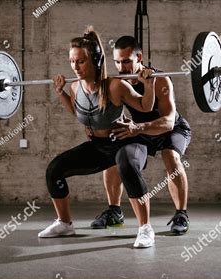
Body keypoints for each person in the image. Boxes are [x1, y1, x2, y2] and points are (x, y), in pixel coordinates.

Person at [38, 26, 158, 248]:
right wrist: (60, 92)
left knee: (126, 165)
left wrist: (149, 85)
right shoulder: (74, 87)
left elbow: (145, 105)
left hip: (127, 142)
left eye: (81, 61)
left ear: (95, 60)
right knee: (54, 170)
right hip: (100, 147)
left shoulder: (115, 86)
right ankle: (64, 223)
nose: (75, 67)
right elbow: (79, 113)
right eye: (72, 61)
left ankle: (145, 229)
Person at [89, 36, 192, 235]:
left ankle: (181, 214)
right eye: (118, 62)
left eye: (126, 61)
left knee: (171, 156)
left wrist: (139, 127)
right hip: (141, 130)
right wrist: (92, 125)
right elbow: (109, 113)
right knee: (114, 155)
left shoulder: (161, 80)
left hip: (171, 128)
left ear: (139, 57)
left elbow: (168, 122)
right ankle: (114, 212)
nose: (122, 67)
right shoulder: (119, 82)